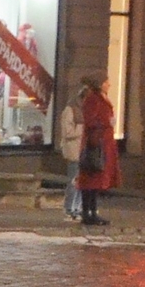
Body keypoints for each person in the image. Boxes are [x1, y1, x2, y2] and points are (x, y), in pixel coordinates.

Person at [75, 73, 119, 226]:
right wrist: (106, 123)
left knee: (96, 181)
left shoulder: (100, 98)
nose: (109, 85)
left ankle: (92, 212)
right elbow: (90, 120)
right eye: (106, 82)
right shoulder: (93, 99)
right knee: (91, 178)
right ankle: (88, 213)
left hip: (102, 142)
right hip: (95, 144)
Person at [56, 89, 86, 221]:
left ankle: (78, 207)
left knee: (82, 181)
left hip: (84, 150)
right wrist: (83, 128)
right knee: (74, 180)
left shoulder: (86, 111)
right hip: (74, 150)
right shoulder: (70, 110)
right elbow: (67, 132)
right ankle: (69, 207)